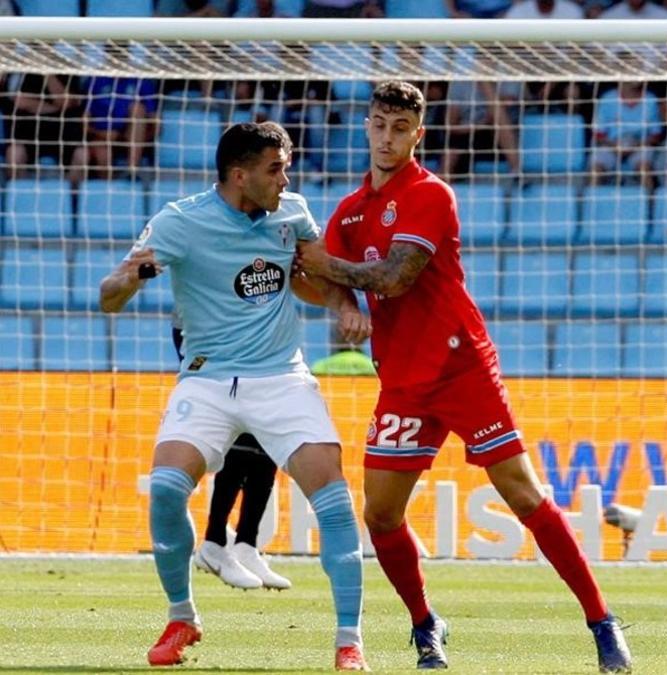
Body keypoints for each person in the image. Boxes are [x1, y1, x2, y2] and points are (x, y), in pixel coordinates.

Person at [296, 81, 633, 674]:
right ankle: (427, 626)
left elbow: (396, 278)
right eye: (379, 124)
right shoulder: (349, 211)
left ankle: (602, 623)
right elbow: (336, 279)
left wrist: (332, 268)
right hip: (401, 378)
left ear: (417, 134)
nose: (387, 137)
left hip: (460, 367)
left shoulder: (430, 194)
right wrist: (342, 302)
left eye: (401, 128)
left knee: (524, 495)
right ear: (366, 126)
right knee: (379, 515)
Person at [98, 121, 371, 671]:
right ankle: (182, 617)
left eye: (285, 167)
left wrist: (343, 304)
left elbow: (314, 271)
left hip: (282, 377)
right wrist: (130, 279)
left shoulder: (291, 212)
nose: (285, 178)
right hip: (207, 377)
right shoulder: (180, 221)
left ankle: (349, 640)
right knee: (168, 490)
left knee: (336, 500)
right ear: (239, 174)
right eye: (275, 169)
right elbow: (108, 297)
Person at [169, 313, 297, 592]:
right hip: (209, 335)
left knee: (264, 439)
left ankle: (245, 545)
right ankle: (214, 541)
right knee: (238, 434)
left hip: (248, 333)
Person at [4, 72, 87, 183]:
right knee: (14, 153)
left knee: (82, 154)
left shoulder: (68, 71)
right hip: (29, 133)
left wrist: (48, 75)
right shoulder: (22, 73)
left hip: (61, 134)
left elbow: (65, 102)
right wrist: (56, 108)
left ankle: (73, 198)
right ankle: (18, 196)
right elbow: (21, 101)